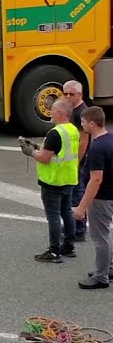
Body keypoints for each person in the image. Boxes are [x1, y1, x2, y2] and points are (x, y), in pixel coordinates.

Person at [20, 98, 79, 262]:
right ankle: (69, 247)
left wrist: (29, 151)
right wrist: (37, 146)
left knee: (53, 216)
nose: (50, 112)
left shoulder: (55, 133)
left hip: (53, 180)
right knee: (67, 213)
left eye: (52, 110)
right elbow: (58, 151)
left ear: (59, 113)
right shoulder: (72, 130)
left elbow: (45, 158)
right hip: (69, 178)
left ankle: (54, 251)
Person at [74, 106, 113, 289]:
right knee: (106, 235)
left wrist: (82, 207)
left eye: (82, 122)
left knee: (100, 237)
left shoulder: (97, 147)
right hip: (110, 194)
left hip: (101, 198)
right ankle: (108, 267)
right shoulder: (110, 139)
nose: (81, 125)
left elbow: (96, 179)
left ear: (91, 123)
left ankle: (101, 276)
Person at [64, 81, 90, 241]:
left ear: (79, 94)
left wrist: (76, 162)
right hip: (74, 161)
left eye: (71, 94)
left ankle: (79, 229)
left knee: (77, 193)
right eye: (65, 93)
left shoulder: (82, 112)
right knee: (73, 193)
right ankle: (73, 226)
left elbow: (83, 141)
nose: (67, 96)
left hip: (79, 161)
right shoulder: (73, 110)